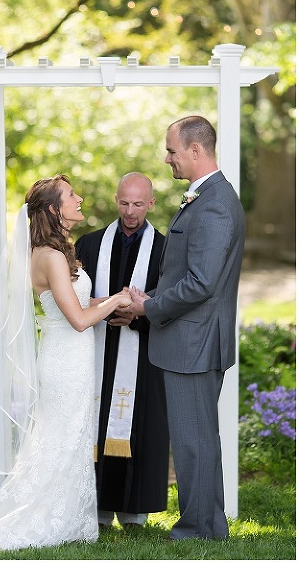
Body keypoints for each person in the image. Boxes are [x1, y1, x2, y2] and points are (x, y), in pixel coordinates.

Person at [0, 175, 132, 554]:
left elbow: (79, 304)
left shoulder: (54, 251)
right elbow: (79, 319)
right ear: (54, 208)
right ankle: (47, 517)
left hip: (74, 357)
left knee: (71, 436)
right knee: (61, 438)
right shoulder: (50, 257)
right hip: (64, 360)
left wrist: (114, 297)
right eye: (71, 195)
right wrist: (118, 301)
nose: (79, 199)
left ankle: (70, 517)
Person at [126, 115, 244, 540]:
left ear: (196, 150)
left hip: (193, 342)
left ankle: (198, 530)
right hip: (193, 339)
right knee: (199, 438)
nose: (167, 159)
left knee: (194, 441)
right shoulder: (208, 196)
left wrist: (150, 306)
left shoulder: (214, 204)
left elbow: (201, 282)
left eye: (172, 151)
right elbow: (186, 273)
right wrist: (149, 299)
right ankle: (208, 525)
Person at [74, 172, 169, 530]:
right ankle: (96, 509)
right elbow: (75, 297)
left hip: (143, 353)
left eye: (138, 204)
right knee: (95, 424)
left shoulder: (165, 250)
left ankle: (134, 513)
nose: (130, 212)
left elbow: (170, 301)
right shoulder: (90, 244)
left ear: (151, 203)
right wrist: (107, 307)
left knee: (139, 426)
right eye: (125, 203)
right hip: (95, 349)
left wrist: (139, 315)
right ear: (116, 200)